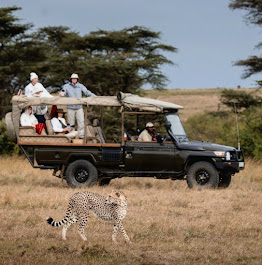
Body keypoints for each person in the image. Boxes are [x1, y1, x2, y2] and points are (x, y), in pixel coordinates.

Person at [59, 73, 96, 139]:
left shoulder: (80, 86)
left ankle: (81, 136)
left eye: (75, 79)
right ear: (71, 79)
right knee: (70, 123)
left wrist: (95, 97)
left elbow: (87, 92)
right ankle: (71, 136)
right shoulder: (66, 86)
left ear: (77, 79)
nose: (74, 80)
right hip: (70, 107)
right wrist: (61, 94)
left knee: (81, 122)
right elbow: (62, 92)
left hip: (79, 108)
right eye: (73, 78)